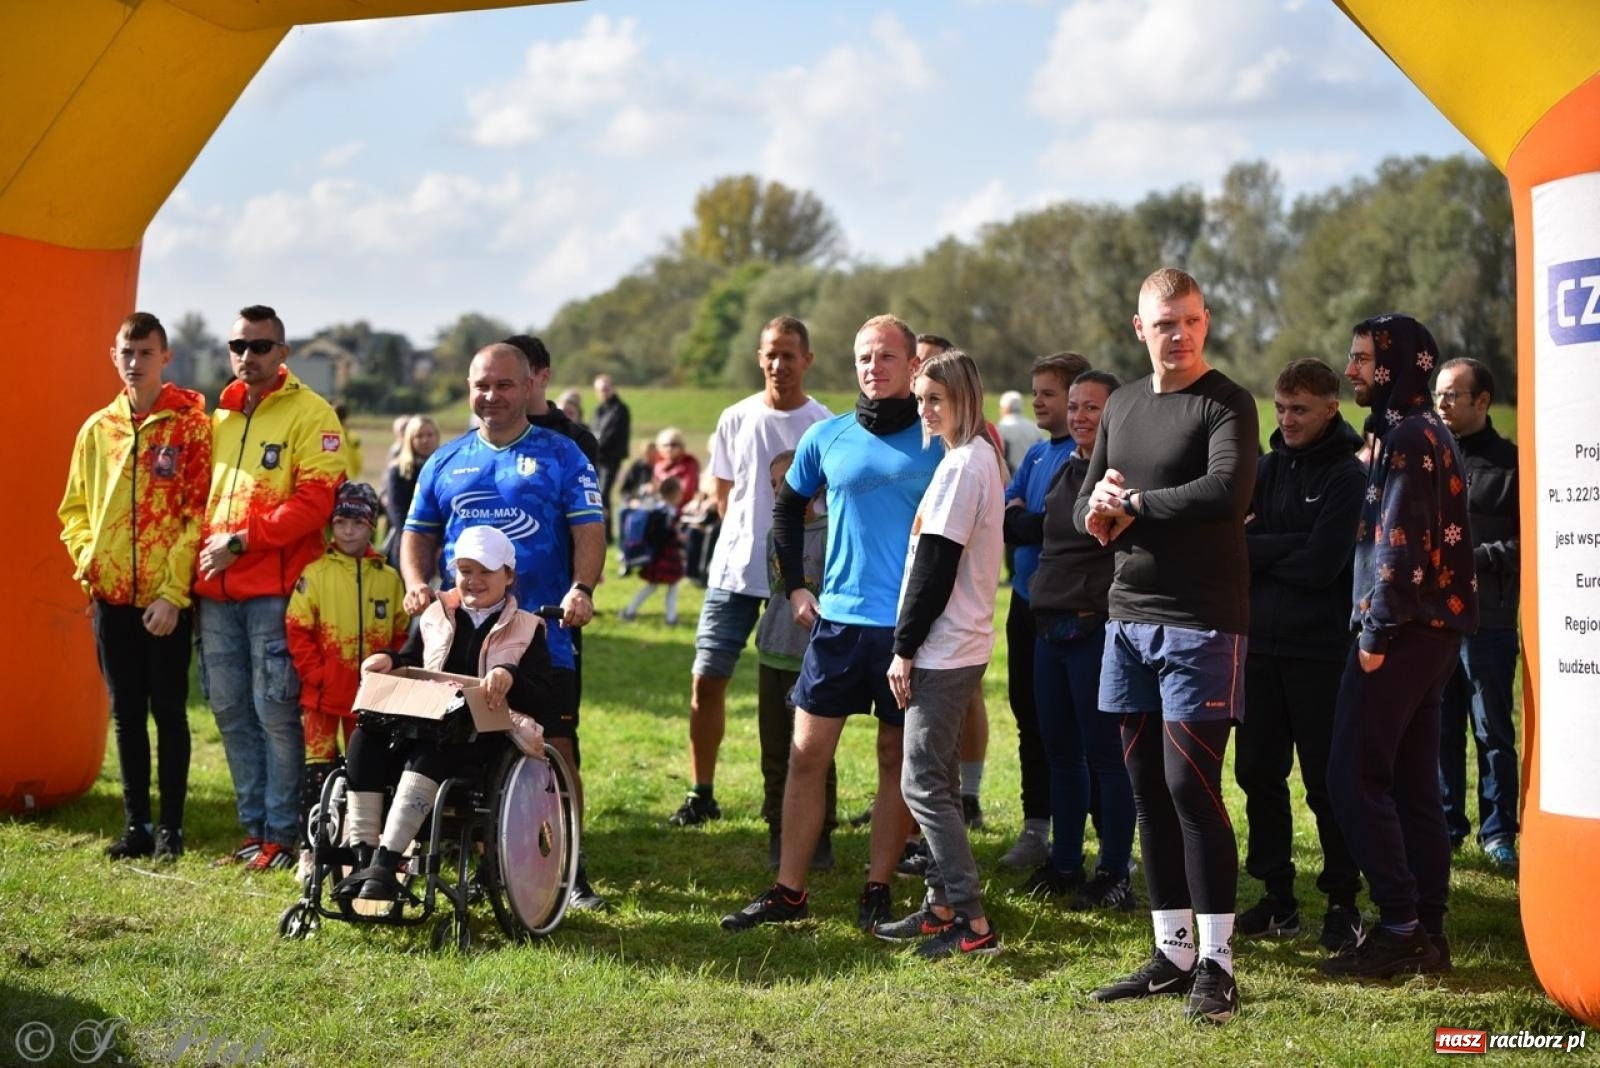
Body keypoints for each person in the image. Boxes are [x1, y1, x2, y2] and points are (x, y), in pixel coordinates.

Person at [1076, 268, 1256, 1024]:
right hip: (1127, 620)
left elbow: (1227, 493)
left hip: (1201, 622)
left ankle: (1219, 965)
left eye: (1189, 320)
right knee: (1146, 786)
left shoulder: (1227, 402)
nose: (1178, 334)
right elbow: (1087, 502)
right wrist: (1098, 511)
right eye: (1163, 323)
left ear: (1205, 321)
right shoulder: (1121, 403)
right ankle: (1173, 953)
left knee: (1191, 787)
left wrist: (1135, 504)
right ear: (1139, 328)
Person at [722, 314, 941, 933]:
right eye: (865, 358)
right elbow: (786, 509)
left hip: (906, 632)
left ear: (913, 366)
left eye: (887, 357)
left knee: (895, 758)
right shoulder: (828, 435)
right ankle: (789, 891)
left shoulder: (939, 441)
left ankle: (878, 887)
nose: (874, 368)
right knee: (806, 755)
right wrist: (795, 585)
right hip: (837, 625)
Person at [401, 341, 607, 909]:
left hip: (542, 634)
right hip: (459, 637)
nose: (491, 396)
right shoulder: (446, 460)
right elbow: (416, 532)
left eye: (504, 385)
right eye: (481, 385)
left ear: (529, 387)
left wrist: (582, 588)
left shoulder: (563, 455)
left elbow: (589, 529)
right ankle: (459, 854)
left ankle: (567, 868)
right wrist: (416, 581)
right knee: (454, 742)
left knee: (553, 746)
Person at [1324, 314, 1478, 979]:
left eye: (1363, 359)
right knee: (1415, 785)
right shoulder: (1419, 429)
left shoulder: (1411, 436)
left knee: (1352, 777)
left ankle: (1400, 929)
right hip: (1432, 632)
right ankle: (1427, 930)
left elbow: (1401, 541)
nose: (1351, 370)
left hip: (1401, 631)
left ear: (1394, 366)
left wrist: (1377, 632)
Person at [196, 304, 346, 872]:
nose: (247, 356)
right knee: (230, 712)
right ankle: (254, 829)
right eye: (238, 346)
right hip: (216, 592)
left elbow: (316, 503)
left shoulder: (312, 412)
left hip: (276, 591)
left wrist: (242, 541)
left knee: (275, 714)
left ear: (283, 352)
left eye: (260, 346)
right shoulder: (221, 415)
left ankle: (283, 834)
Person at [58, 311, 211, 863]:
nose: (134, 362)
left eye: (145, 353)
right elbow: (74, 510)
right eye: (126, 352)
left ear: (165, 357)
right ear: (113, 356)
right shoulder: (98, 429)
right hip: (111, 597)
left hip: (165, 601)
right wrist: (90, 562)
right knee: (125, 714)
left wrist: (173, 595)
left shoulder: (190, 426)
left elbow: (197, 514)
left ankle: (171, 828)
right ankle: (137, 826)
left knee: (169, 712)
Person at [667, 317, 830, 827]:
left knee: (803, 695)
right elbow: (723, 496)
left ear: (807, 360)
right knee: (707, 679)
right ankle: (701, 793)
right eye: (770, 354)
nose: (778, 364)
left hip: (800, 581)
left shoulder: (824, 424)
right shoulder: (735, 417)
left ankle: (793, 802)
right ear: (759, 358)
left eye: (789, 355)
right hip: (734, 573)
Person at [336, 525, 551, 911]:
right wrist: (389, 659)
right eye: (465, 571)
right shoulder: (437, 613)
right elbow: (413, 659)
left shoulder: (528, 627)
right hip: (426, 720)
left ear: (508, 575)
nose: (473, 580)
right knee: (366, 734)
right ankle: (364, 856)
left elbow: (544, 698)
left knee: (433, 748)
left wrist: (509, 676)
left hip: (480, 736)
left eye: (485, 571)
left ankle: (387, 861)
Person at [874, 349, 1006, 958]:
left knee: (922, 782)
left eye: (936, 399)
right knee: (941, 781)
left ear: (964, 399)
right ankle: (941, 905)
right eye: (921, 398)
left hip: (944, 648)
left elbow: (935, 566)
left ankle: (972, 924)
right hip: (956, 642)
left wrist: (904, 649)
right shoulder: (969, 457)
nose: (925, 410)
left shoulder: (964, 465)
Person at [1234, 359, 1365, 951]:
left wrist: (1261, 547)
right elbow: (1232, 549)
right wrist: (1286, 544)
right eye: (1281, 408)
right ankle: (1277, 898)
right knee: (1257, 773)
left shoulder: (1347, 476)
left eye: (1300, 410)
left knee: (1326, 781)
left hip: (1320, 651)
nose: (1286, 420)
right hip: (1259, 647)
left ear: (1331, 408)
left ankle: (1343, 901)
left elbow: (1323, 566)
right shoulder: (1263, 469)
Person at [1027, 369, 1137, 910]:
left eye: (1091, 407)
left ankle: (1115, 871)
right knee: (1060, 753)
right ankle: (1066, 862)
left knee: (1107, 756)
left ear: (1114, 414)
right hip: (1048, 627)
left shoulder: (1124, 476)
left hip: (1094, 628)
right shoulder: (1064, 469)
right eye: (1073, 407)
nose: (1078, 416)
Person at [285, 481, 411, 875]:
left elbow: (400, 635)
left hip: (372, 699)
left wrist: (391, 678)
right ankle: (312, 851)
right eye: (340, 522)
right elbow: (298, 629)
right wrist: (317, 674)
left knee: (369, 771)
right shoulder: (315, 574)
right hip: (323, 697)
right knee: (317, 774)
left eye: (357, 522)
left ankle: (366, 848)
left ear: (371, 525)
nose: (348, 530)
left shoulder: (388, 578)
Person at [998, 352, 1090, 876]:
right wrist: (1029, 521)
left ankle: (1097, 835)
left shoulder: (1085, 457)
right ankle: (1037, 826)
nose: (1038, 401)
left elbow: (1056, 527)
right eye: (1035, 392)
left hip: (1069, 608)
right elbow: (1011, 521)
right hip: (1024, 603)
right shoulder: (1035, 455)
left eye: (1048, 393)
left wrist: (1030, 521)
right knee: (1028, 716)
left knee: (1077, 727)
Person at [1433, 357, 1520, 874]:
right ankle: (1446, 825)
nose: (1441, 404)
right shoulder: (1430, 458)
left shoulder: (1513, 464)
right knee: (1440, 728)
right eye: (1438, 394)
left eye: (1452, 395)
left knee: (1492, 731)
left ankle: (1499, 831)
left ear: (1483, 401)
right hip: (1435, 621)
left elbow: (1528, 541)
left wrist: (1476, 558)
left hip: (1489, 620)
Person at [754, 451, 836, 870]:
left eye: (786, 480)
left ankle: (820, 835)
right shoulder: (775, 535)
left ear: (814, 484)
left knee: (814, 750)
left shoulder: (832, 532)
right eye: (773, 484)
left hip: (812, 659)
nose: (779, 490)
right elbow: (775, 592)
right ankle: (778, 829)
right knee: (774, 749)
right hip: (773, 653)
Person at [620, 476, 686, 625]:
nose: (681, 496)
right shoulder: (664, 512)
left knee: (663, 586)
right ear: (673, 494)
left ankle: (668, 617)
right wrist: (676, 535)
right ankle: (667, 617)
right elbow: (660, 534)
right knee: (659, 585)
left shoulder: (664, 510)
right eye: (680, 493)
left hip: (663, 554)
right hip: (663, 555)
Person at [382, 415, 439, 569]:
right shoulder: (398, 470)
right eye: (419, 436)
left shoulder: (447, 469)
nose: (425, 440)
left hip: (441, 547)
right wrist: (418, 543)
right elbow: (397, 514)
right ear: (409, 439)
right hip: (408, 546)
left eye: (430, 434)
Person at [592, 373, 632, 540]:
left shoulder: (620, 409)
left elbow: (610, 435)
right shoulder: (599, 410)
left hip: (610, 459)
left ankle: (606, 533)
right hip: (597, 459)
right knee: (597, 493)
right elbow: (593, 431)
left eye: (606, 388)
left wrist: (596, 445)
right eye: (600, 389)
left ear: (612, 388)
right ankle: (602, 531)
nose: (604, 392)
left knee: (603, 493)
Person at [997, 389, 1042, 477]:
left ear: (1006, 408)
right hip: (1031, 475)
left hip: (1010, 478)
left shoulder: (1001, 427)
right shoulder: (1034, 427)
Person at [653, 427, 701, 500]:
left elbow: (688, 491)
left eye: (673, 445)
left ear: (681, 446)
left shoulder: (689, 463)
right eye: (665, 445)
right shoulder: (658, 465)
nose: (669, 449)